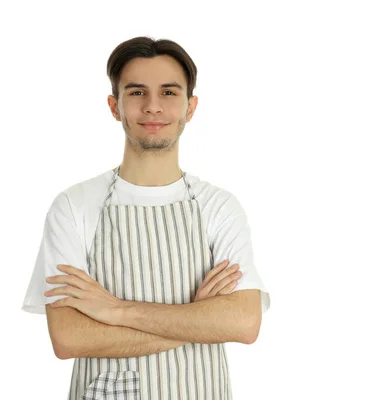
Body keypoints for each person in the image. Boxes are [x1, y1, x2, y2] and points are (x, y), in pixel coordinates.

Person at [21, 36, 271, 400]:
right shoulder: (74, 206)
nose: (153, 107)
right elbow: (69, 337)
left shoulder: (219, 207)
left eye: (169, 93)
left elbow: (245, 323)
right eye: (137, 93)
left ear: (190, 107)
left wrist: (115, 311)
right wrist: (199, 319)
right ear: (114, 105)